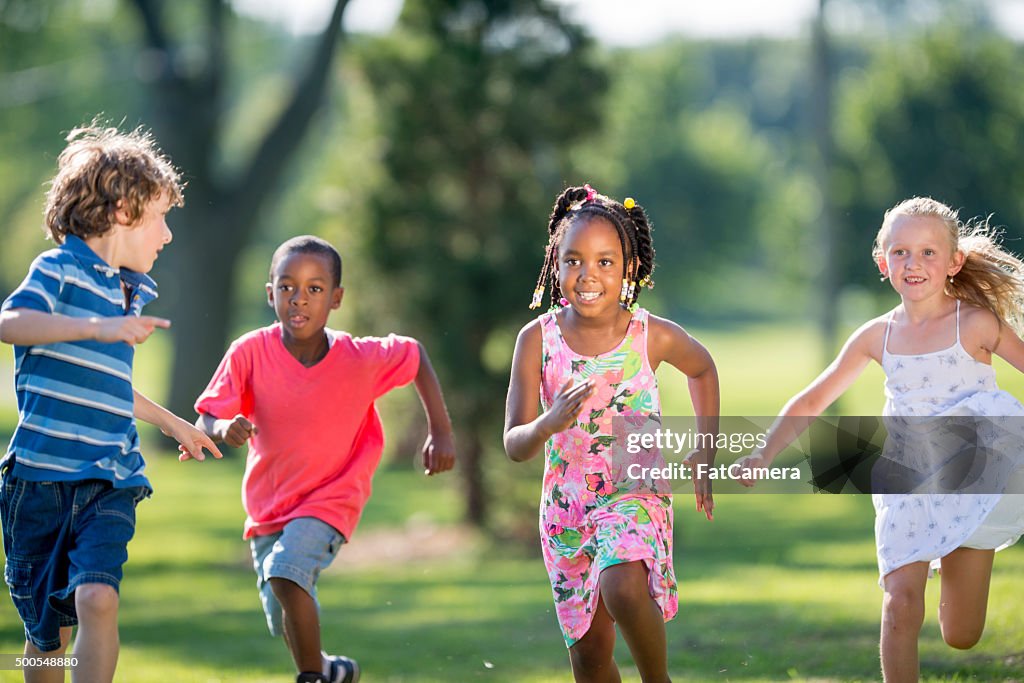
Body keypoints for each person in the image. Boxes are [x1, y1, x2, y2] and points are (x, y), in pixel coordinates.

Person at [736, 196, 1024, 682]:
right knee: (899, 606)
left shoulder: (975, 323)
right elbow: (811, 401)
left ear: (954, 261)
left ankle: (957, 551)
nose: (913, 264)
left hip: (973, 477)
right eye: (901, 252)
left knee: (961, 634)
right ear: (882, 260)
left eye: (929, 253)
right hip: (907, 480)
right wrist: (765, 450)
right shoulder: (877, 336)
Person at [0, 122, 223, 683]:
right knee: (45, 636)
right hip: (40, 483)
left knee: (98, 599)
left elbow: (109, 386)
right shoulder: (56, 271)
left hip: (109, 476)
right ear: (123, 210)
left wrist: (174, 424)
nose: (168, 235)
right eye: (161, 217)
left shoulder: (127, 289)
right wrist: (95, 328)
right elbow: (9, 323)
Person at [193, 235, 456, 683]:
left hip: (333, 495)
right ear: (270, 292)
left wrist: (441, 432)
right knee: (283, 616)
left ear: (336, 298)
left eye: (315, 289)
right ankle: (332, 670)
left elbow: (413, 354)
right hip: (268, 505)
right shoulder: (249, 352)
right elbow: (207, 420)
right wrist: (224, 428)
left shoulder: (360, 357)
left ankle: (312, 679)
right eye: (287, 286)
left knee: (286, 571)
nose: (299, 299)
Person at [503, 184, 719, 683]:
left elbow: (703, 369)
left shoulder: (652, 335)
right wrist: (545, 423)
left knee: (623, 585)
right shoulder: (536, 341)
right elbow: (514, 443)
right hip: (565, 505)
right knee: (590, 659)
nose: (588, 275)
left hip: (633, 487)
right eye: (574, 260)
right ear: (555, 266)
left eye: (605, 261)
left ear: (629, 269)